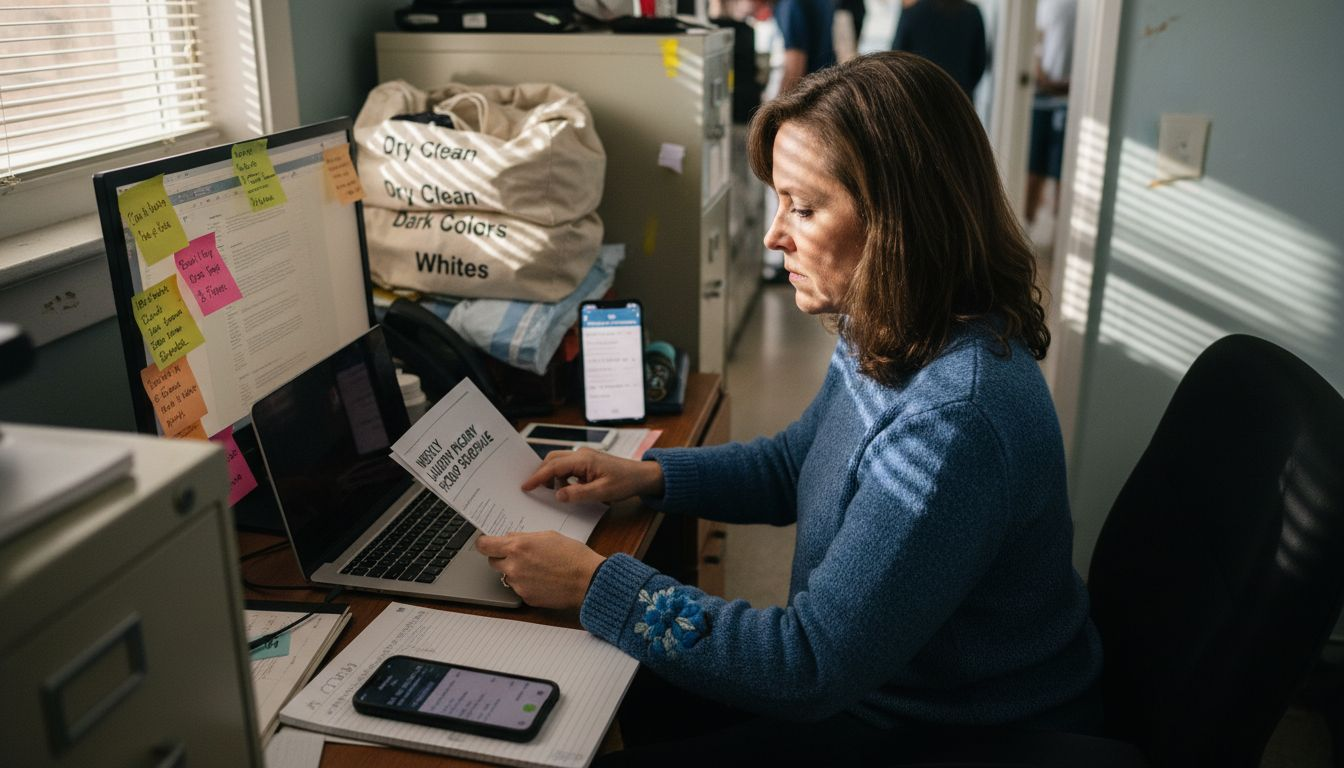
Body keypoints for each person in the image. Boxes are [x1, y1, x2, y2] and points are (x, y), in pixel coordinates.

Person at [476, 51, 1102, 763]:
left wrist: (592, 582)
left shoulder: (955, 420)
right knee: (601, 685)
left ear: (901, 221)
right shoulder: (897, 325)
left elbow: (805, 666)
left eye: (803, 208)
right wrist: (650, 477)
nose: (776, 236)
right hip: (875, 688)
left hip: (943, 730)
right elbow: (795, 463)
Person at [1025, 0, 1077, 231]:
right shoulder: (1046, 4)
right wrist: (1040, 74)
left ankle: (1059, 235)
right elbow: (1035, 37)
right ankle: (1026, 227)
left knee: (1064, 175)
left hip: (1072, 101)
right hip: (1040, 96)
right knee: (1033, 171)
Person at [891, 0, 987, 97]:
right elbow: (979, 63)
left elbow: (895, 59)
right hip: (959, 98)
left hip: (919, 99)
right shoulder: (973, 13)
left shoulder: (912, 12)